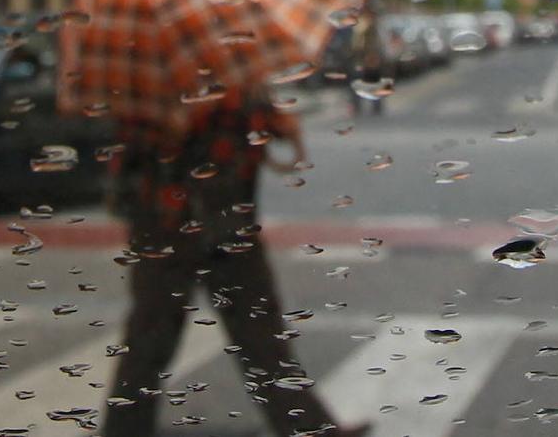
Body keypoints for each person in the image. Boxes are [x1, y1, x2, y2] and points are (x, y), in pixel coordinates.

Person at [103, 90, 369, 437]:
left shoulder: (214, 82)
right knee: (154, 335)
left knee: (259, 334)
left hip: (208, 224)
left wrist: (271, 121)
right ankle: (123, 429)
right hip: (173, 227)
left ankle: (306, 427)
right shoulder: (170, 85)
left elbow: (252, 137)